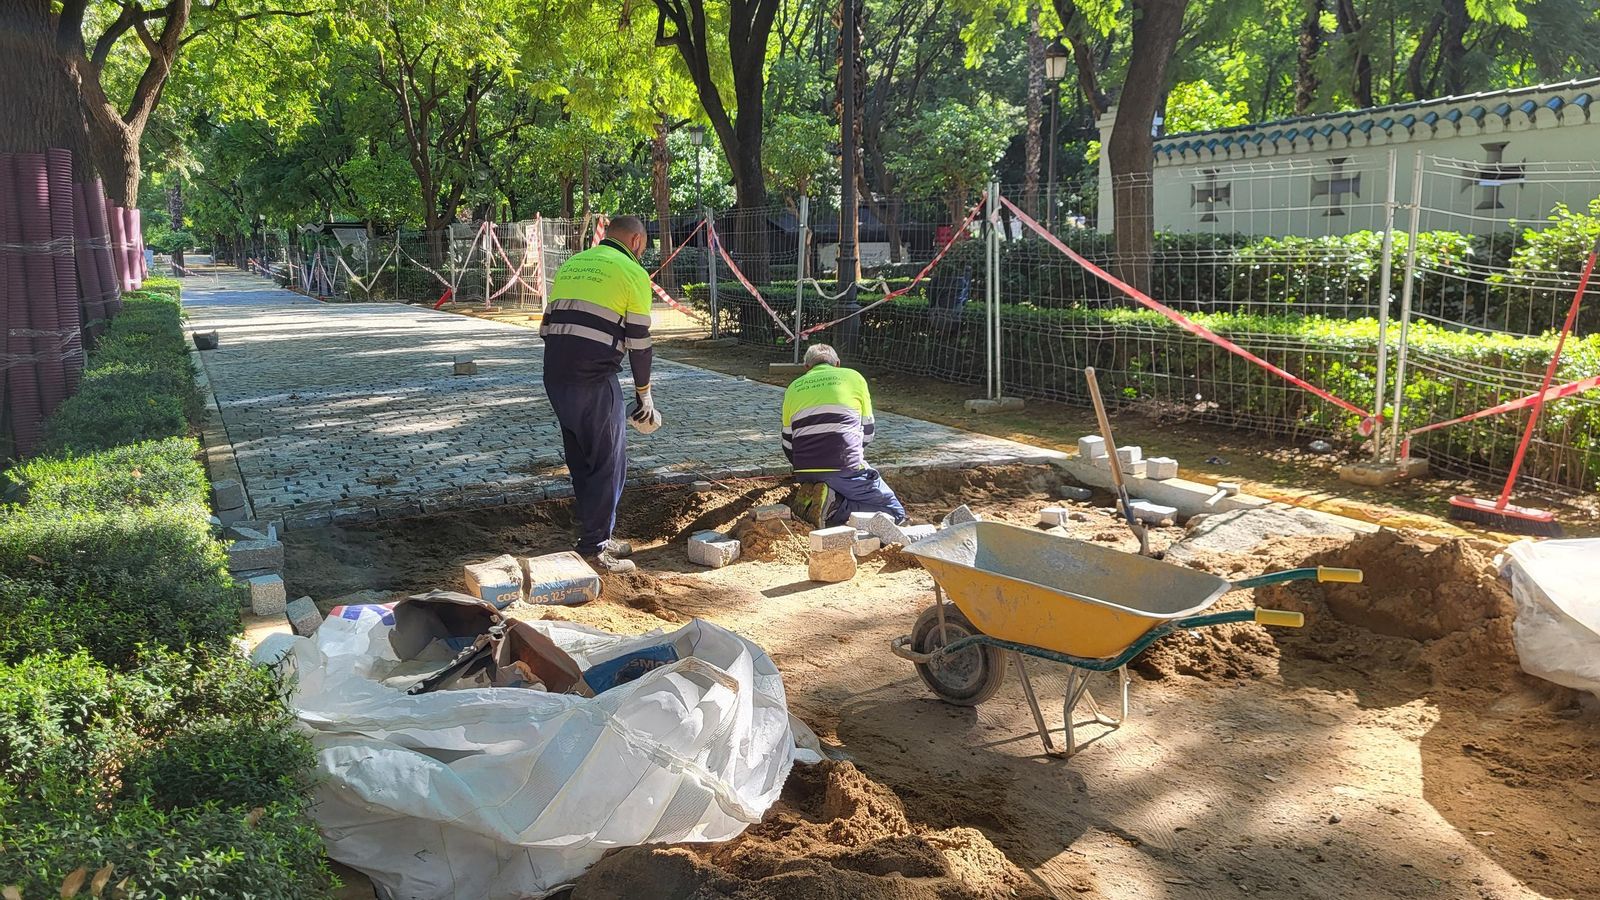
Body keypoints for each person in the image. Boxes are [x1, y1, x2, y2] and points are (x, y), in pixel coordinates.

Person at [539, 215, 661, 574]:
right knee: (609, 461)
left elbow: (547, 328)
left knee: (581, 458)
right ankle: (595, 548)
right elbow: (640, 344)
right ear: (637, 241)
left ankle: (596, 533)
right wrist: (644, 396)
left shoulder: (572, 264)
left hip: (555, 376)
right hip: (593, 379)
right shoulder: (632, 272)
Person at [782, 344, 908, 528]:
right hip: (844, 466)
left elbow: (787, 442)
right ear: (837, 364)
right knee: (895, 513)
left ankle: (822, 492)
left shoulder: (793, 388)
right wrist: (848, 454)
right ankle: (835, 508)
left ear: (806, 368)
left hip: (804, 471)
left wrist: (804, 469)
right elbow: (868, 431)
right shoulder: (854, 378)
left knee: (834, 479)